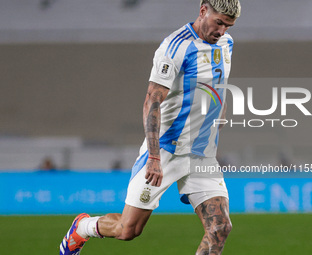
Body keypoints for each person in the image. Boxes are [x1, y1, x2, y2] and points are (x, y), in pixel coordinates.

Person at [59, 1, 241, 254]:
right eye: (218, 22)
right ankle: (83, 227)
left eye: (228, 25)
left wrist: (217, 120)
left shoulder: (226, 43)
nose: (222, 31)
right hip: (166, 149)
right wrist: (154, 156)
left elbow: (218, 85)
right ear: (203, 11)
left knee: (220, 228)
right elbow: (152, 101)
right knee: (127, 230)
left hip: (201, 153)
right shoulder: (175, 47)